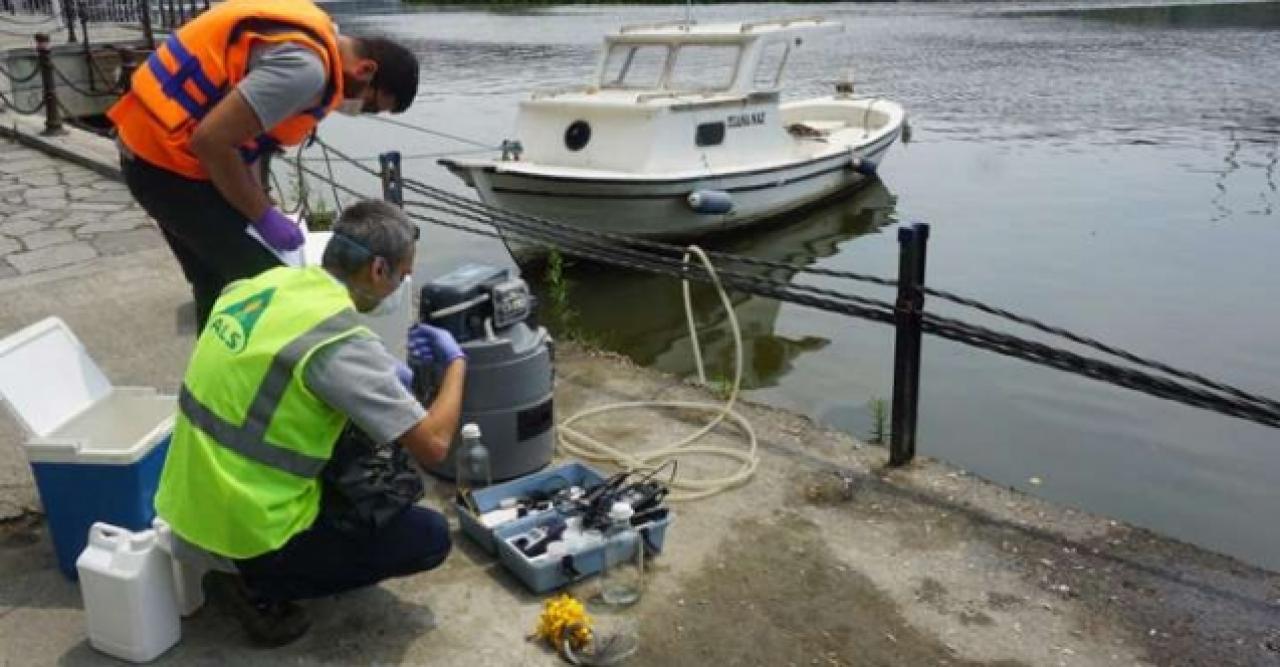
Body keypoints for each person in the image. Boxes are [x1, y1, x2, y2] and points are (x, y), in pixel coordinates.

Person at [154, 200, 464, 647]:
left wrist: (380, 376)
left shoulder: (264, 284)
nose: (402, 284)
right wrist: (456, 364)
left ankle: (245, 560)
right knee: (429, 537)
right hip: (248, 534)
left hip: (184, 502)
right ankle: (258, 586)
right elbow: (434, 444)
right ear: (379, 270)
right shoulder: (334, 341)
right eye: (403, 273)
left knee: (352, 429)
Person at [108, 0, 420, 330]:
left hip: (148, 150)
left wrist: (260, 205)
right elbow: (211, 142)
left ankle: (214, 375)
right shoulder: (306, 71)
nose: (361, 111)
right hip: (166, 167)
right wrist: (262, 216)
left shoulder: (314, 37)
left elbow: (246, 143)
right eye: (370, 106)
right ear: (366, 70)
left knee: (217, 284)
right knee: (276, 288)